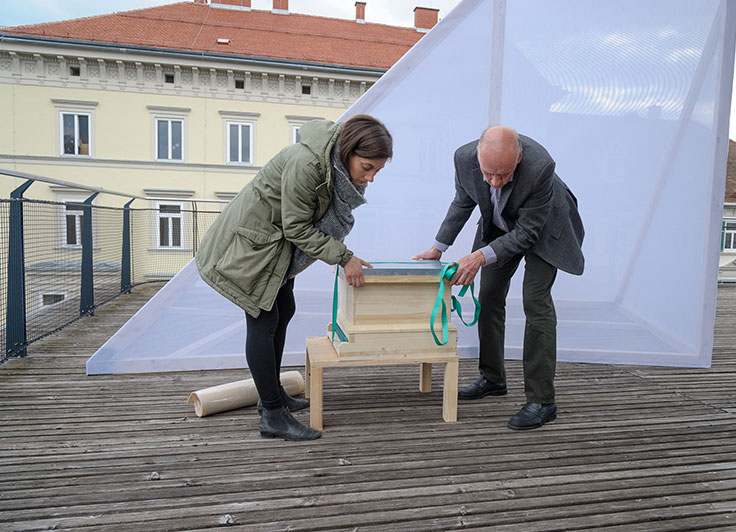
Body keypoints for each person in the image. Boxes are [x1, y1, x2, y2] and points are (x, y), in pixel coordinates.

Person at [196, 114, 392, 441]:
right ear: (348, 151)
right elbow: (296, 227)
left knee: (284, 311)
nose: (370, 178)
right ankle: (272, 414)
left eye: (377, 170)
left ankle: (272, 396)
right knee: (263, 320)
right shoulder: (308, 165)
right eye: (367, 167)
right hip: (252, 247)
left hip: (273, 247)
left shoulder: (331, 163)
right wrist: (345, 258)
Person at [414, 126, 584, 430]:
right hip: (500, 226)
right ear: (478, 157)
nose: (494, 182)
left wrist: (478, 256)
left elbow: (528, 232)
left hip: (545, 227)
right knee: (489, 295)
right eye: (488, 174)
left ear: (518, 158)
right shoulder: (464, 158)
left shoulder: (540, 166)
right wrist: (438, 247)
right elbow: (463, 200)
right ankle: (492, 378)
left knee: (535, 301)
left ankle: (543, 401)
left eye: (503, 175)